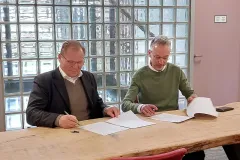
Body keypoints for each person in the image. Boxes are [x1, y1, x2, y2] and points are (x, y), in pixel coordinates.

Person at [122, 35, 204, 160]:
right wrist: (141, 107)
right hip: (150, 124)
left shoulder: (176, 71)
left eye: (165, 58)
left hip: (174, 123)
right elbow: (125, 104)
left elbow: (190, 93)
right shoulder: (140, 75)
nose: (161, 62)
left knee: (197, 152)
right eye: (157, 57)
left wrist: (193, 98)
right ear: (149, 53)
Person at [26, 40, 120, 129]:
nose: (75, 66)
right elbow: (31, 113)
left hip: (90, 129)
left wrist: (106, 109)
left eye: (79, 62)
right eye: (70, 62)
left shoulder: (89, 77)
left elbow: (96, 104)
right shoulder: (45, 80)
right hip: (61, 133)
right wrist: (58, 119)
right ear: (60, 58)